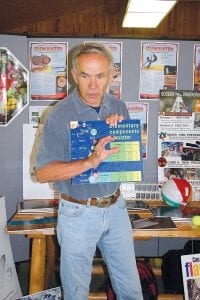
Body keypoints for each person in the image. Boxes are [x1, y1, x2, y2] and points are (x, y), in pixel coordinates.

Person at [35, 42, 143, 300]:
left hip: (116, 209)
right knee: (76, 293)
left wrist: (118, 134)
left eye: (100, 76)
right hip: (77, 214)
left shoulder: (119, 107)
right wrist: (89, 161)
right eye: (85, 76)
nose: (93, 86)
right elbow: (43, 173)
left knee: (131, 290)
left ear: (111, 76)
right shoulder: (58, 116)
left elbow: (122, 160)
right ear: (74, 76)